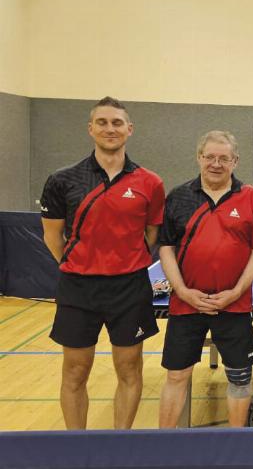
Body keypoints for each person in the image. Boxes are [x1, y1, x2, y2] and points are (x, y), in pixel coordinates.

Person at [40, 96, 165, 429]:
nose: (110, 129)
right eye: (103, 122)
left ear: (129, 129)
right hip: (78, 288)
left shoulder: (149, 182)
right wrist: (81, 263)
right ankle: (77, 445)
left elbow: (151, 232)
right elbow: (53, 237)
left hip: (129, 287)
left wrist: (125, 260)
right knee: (76, 370)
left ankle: (120, 442)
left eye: (117, 123)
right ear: (90, 128)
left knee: (129, 368)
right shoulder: (62, 180)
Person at [157, 131, 253, 428]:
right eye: (210, 157)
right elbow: (166, 248)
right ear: (199, 157)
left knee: (239, 375)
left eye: (224, 158)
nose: (216, 164)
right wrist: (182, 291)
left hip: (234, 305)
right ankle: (163, 443)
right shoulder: (178, 197)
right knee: (176, 375)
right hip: (186, 305)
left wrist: (236, 291)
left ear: (235, 161)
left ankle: (236, 442)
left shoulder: (251, 200)